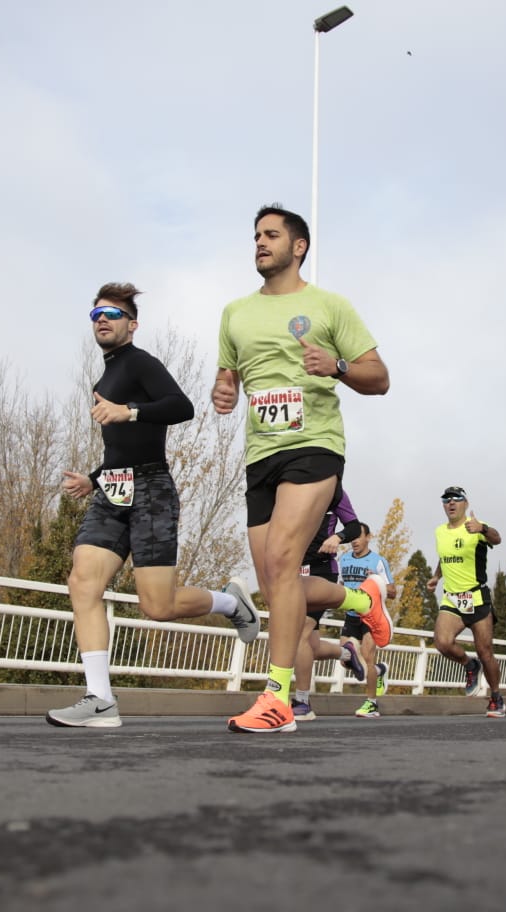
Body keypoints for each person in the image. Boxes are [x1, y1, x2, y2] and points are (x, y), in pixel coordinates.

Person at [46, 284, 262, 729]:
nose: (102, 320)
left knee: (157, 606)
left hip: (151, 491)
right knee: (82, 582)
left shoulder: (141, 362)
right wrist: (94, 477)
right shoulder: (102, 379)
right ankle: (100, 699)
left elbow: (180, 407)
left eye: (112, 313)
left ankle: (231, 603)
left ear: (131, 324)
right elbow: (119, 449)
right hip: (113, 492)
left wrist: (130, 411)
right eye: (96, 315)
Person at [215, 204, 391, 733]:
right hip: (260, 452)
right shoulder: (235, 313)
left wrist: (335, 366)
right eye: (255, 236)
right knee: (276, 583)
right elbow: (228, 375)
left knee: (284, 556)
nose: (260, 243)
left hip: (314, 444)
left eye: (271, 235)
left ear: (299, 246)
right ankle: (361, 598)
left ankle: (278, 698)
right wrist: (224, 389)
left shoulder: (329, 306)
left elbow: (378, 376)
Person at [288, 490, 372, 721]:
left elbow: (354, 527)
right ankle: (346, 652)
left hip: (322, 570)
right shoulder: (289, 489)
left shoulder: (333, 492)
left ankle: (302, 702)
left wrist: (338, 537)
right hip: (293, 571)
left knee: (301, 632)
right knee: (310, 645)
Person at [427, 487, 505, 717]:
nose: (451, 504)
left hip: (476, 596)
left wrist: (483, 528)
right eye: (446, 500)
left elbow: (497, 539)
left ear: (465, 503)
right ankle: (469, 665)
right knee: (442, 642)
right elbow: (445, 557)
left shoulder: (475, 525)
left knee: (485, 650)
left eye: (456, 500)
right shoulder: (440, 531)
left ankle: (496, 696)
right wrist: (436, 576)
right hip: (452, 598)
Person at [338, 522, 397, 718]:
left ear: (368, 537)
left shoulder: (378, 561)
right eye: (351, 538)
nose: (354, 541)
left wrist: (377, 581)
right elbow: (339, 586)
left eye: (358, 537)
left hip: (371, 615)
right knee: (345, 660)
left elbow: (393, 592)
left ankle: (371, 703)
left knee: (367, 657)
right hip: (351, 615)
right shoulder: (343, 560)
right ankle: (380, 671)